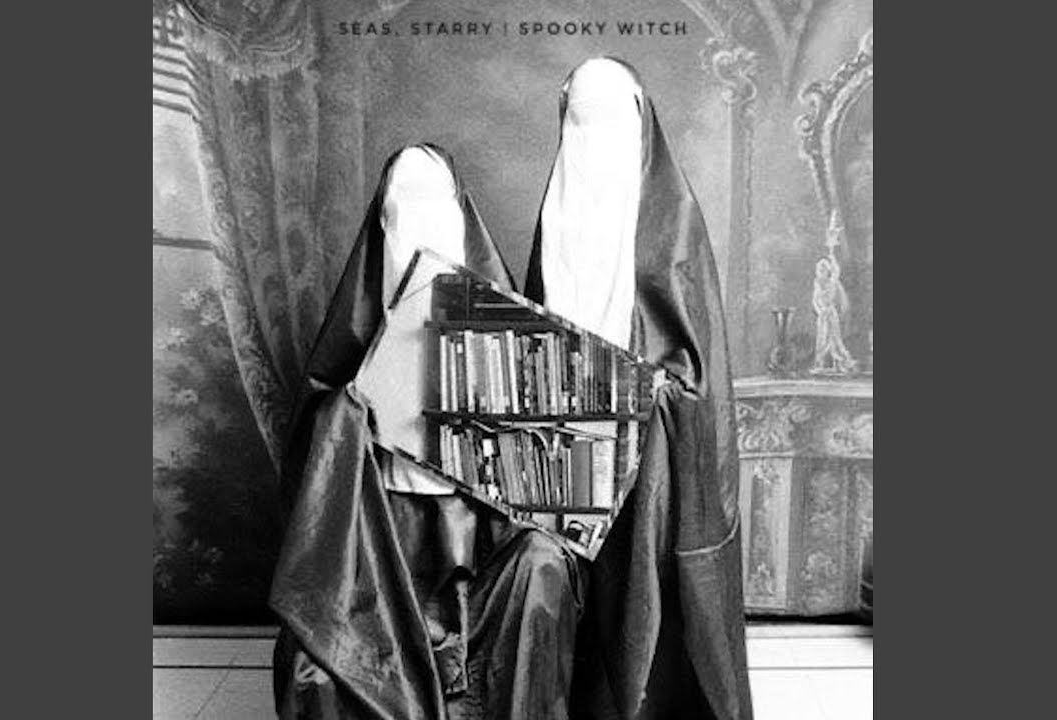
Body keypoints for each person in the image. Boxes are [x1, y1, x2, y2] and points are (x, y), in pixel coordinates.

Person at [270, 144, 583, 720]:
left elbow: (547, 474)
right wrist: (353, 412)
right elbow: (319, 479)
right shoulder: (353, 343)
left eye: (433, 204)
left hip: (483, 547)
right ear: (382, 223)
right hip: (382, 544)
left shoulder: (507, 340)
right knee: (312, 658)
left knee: (544, 568)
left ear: (459, 218)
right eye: (402, 206)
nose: (418, 224)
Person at [526, 57, 753, 720]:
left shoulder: (672, 221)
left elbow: (698, 373)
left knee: (637, 576)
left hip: (647, 450)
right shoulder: (555, 216)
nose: (591, 143)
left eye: (608, 125)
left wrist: (643, 392)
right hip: (562, 443)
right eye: (579, 123)